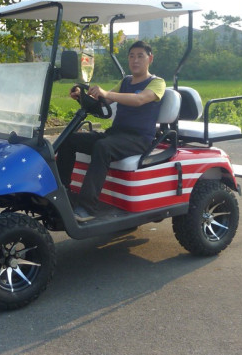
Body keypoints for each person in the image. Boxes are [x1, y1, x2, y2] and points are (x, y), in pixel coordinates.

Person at [57, 40, 166, 222]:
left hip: (139, 139)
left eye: (140, 56)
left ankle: (86, 207)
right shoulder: (125, 82)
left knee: (103, 147)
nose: (135, 60)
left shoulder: (157, 83)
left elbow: (139, 100)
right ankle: (63, 192)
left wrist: (106, 93)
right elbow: (104, 103)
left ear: (150, 59)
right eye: (132, 56)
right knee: (69, 139)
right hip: (116, 134)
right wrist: (81, 97)